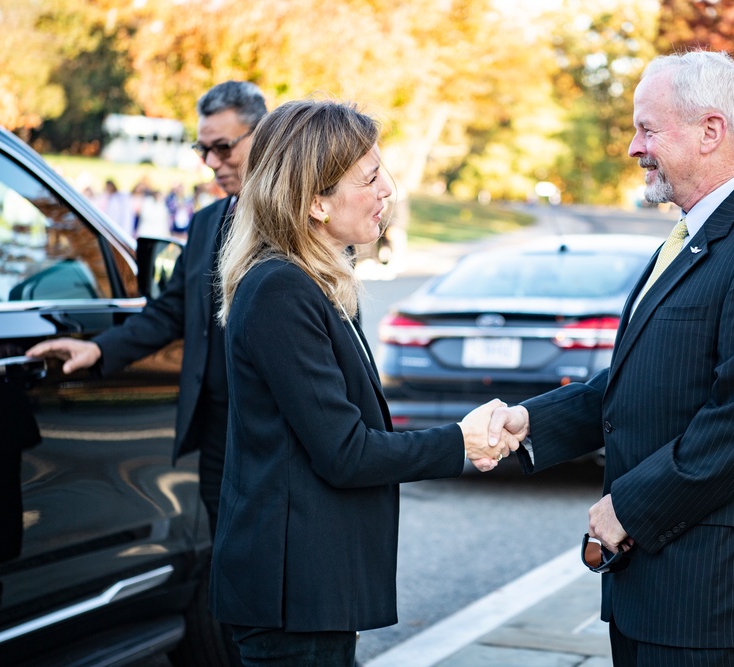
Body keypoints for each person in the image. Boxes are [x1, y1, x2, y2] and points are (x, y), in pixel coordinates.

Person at [488, 50, 734, 666]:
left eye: (646, 128)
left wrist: (630, 507)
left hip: (717, 603)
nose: (632, 147)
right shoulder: (685, 237)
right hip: (653, 592)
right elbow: (636, 383)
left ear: (710, 131)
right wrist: (532, 424)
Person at [209, 98, 516, 666]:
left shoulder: (314, 282)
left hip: (314, 592)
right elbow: (344, 452)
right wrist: (461, 441)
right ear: (315, 201)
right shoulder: (281, 289)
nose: (388, 191)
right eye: (370, 178)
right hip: (292, 598)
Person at [26, 80, 268, 537]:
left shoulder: (299, 222)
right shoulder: (205, 223)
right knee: (227, 563)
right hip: (217, 433)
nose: (212, 163)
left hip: (276, 432)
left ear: (264, 135)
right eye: (203, 149)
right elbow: (171, 310)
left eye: (223, 148)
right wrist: (98, 350)